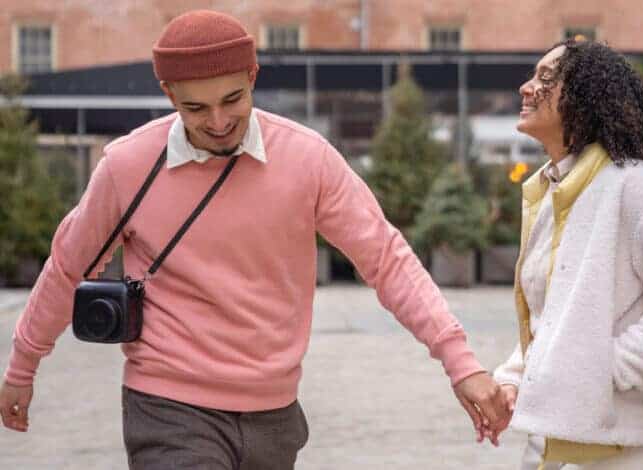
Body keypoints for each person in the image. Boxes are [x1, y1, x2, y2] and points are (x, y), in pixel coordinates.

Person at [0, 10, 509, 469]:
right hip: (168, 407)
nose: (218, 123)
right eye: (196, 109)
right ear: (169, 94)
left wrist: (460, 363)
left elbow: (386, 259)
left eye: (232, 100)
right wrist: (22, 366)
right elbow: (69, 267)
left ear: (252, 77)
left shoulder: (307, 159)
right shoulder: (127, 166)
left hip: (274, 415)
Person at [493, 38, 643, 470]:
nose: (526, 87)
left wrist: (605, 368)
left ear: (585, 99)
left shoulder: (637, 187)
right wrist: (515, 377)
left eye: (545, 78)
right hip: (552, 435)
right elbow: (554, 317)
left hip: (623, 447)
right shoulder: (550, 189)